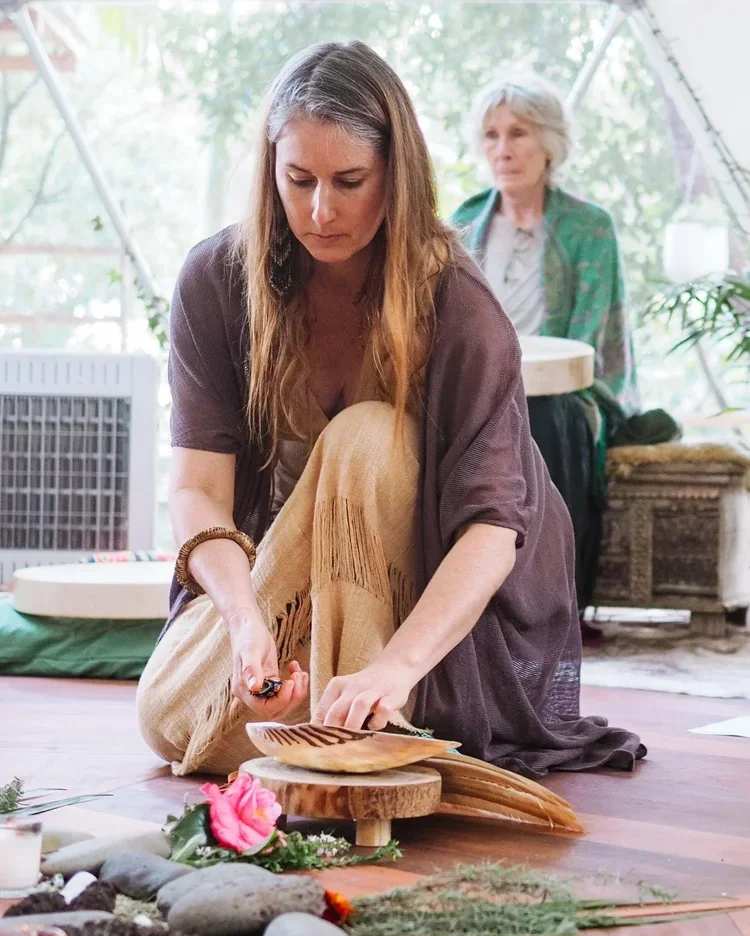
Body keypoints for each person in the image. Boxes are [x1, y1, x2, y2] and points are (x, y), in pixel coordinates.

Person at [136, 41, 644, 780]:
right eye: (298, 179)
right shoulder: (216, 280)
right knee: (167, 720)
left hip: (435, 609)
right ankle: (330, 722)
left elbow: (493, 531)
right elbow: (198, 489)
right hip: (294, 566)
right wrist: (246, 626)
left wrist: (393, 669)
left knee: (366, 435)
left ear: (396, 177)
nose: (320, 210)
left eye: (349, 181)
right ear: (269, 170)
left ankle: (372, 711)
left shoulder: (456, 303)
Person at [452, 75, 675, 627]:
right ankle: (464, 608)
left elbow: (586, 346)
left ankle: (552, 610)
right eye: (491, 135)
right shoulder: (463, 223)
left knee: (550, 419)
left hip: (566, 391)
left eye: (519, 133)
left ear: (549, 142)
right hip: (481, 388)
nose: (502, 149)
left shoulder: (589, 227)